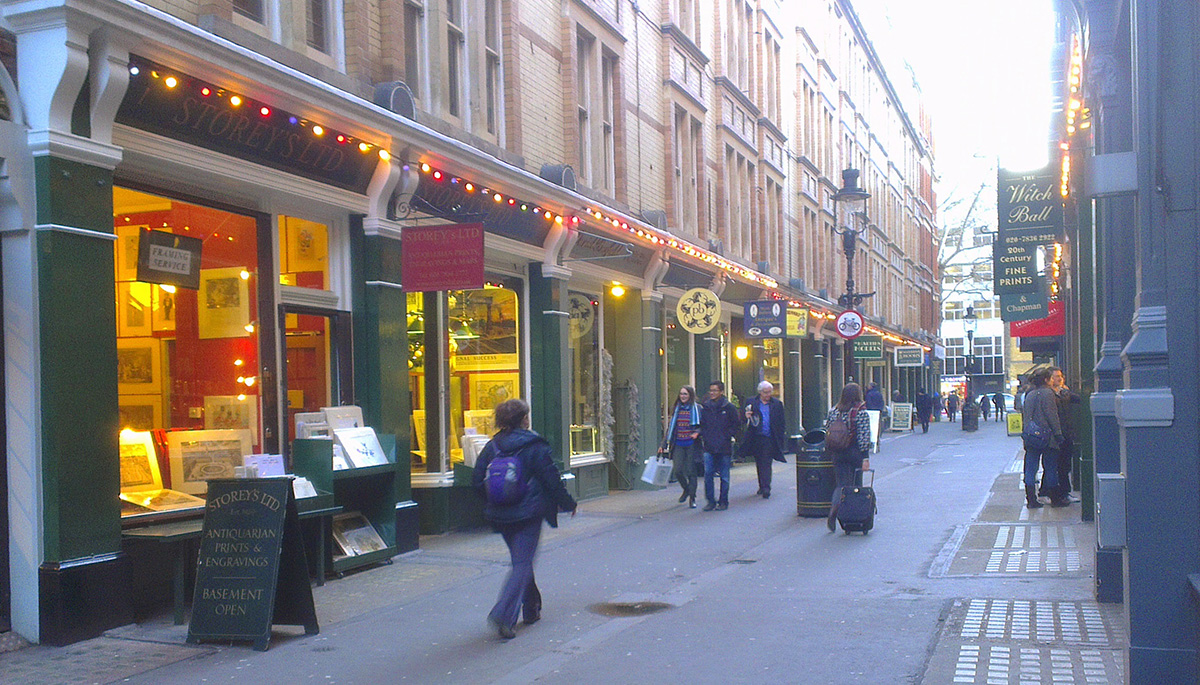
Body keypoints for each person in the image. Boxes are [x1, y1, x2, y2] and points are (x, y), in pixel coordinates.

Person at [472, 399, 577, 639]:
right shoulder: (534, 445)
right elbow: (551, 478)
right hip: (529, 513)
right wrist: (568, 502)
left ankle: (531, 608)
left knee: (522, 561)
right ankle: (504, 615)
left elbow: (477, 480)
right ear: (524, 419)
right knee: (521, 563)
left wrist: (494, 501)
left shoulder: (493, 446)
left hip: (501, 515)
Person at [824, 383, 872, 532]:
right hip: (855, 452)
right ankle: (853, 518)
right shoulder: (861, 412)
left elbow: (828, 430)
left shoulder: (834, 411)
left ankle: (834, 507)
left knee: (841, 485)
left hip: (838, 453)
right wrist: (865, 458)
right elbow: (864, 438)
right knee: (856, 486)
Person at [1021, 367, 1068, 508]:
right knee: (1050, 468)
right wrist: (1058, 434)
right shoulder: (1048, 394)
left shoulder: (1029, 394)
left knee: (1030, 468)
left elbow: (1026, 416)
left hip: (1031, 437)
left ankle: (1031, 499)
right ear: (1047, 380)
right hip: (1048, 438)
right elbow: (1052, 416)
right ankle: (1055, 498)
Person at [699, 380, 741, 511]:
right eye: (710, 390)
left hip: (724, 446)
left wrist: (726, 436)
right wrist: (705, 437)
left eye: (715, 391)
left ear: (721, 392)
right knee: (708, 474)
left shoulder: (728, 408)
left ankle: (723, 501)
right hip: (709, 446)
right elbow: (703, 425)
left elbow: (736, 425)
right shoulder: (706, 407)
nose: (712, 393)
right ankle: (710, 501)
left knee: (724, 475)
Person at [742, 381, 786, 499]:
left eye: (769, 392)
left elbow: (781, 422)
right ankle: (762, 485)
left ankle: (766, 487)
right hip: (756, 437)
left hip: (770, 438)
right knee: (759, 461)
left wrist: (781, 438)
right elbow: (742, 417)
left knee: (766, 462)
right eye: (765, 392)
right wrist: (746, 416)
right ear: (760, 392)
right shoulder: (751, 402)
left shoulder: (777, 404)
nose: (768, 395)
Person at [660, 386, 702, 508]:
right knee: (677, 470)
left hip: (691, 445)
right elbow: (671, 428)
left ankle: (692, 498)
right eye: (681, 394)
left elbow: (703, 425)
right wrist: (663, 444)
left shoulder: (697, 409)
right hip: (678, 443)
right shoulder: (677, 409)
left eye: (685, 394)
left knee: (691, 472)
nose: (683, 396)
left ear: (690, 395)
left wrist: (697, 432)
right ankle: (687, 489)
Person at [1048, 367, 1082, 503]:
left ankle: (1064, 492)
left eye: (1061, 376)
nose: (1060, 378)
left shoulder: (1065, 393)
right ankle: (1056, 493)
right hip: (1054, 435)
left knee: (1064, 465)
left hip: (1066, 434)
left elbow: (1079, 399)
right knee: (1055, 465)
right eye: (1056, 376)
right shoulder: (1048, 394)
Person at [864, 382, 885, 448]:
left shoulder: (869, 394)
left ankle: (871, 440)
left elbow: (868, 403)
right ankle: (877, 439)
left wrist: (869, 409)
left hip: (871, 412)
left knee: (871, 426)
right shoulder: (879, 394)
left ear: (871, 387)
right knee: (878, 426)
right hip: (878, 411)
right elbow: (882, 402)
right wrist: (880, 410)